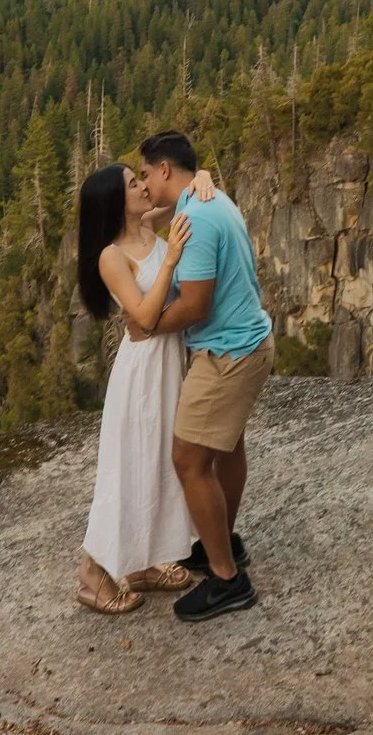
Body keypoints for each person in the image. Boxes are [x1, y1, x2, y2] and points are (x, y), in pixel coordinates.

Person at [141, 130, 271, 623]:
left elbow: (195, 305)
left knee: (189, 459)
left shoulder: (195, 216)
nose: (146, 184)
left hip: (226, 353)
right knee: (228, 448)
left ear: (165, 170)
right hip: (248, 343)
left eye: (147, 173)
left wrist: (146, 323)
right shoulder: (208, 199)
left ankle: (227, 580)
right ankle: (225, 543)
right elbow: (152, 214)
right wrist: (199, 180)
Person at [73, 160, 214, 612]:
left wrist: (204, 178)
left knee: (158, 465)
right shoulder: (111, 256)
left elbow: (188, 194)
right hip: (142, 374)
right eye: (134, 184)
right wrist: (171, 258)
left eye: (140, 179)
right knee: (129, 469)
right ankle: (92, 574)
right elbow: (146, 316)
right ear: (117, 202)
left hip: (167, 363)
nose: (144, 187)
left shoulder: (148, 225)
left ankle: (142, 562)